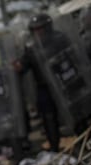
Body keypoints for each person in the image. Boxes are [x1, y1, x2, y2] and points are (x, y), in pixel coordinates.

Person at [13, 13, 66, 152]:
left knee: (73, 112)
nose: (39, 32)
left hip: (64, 82)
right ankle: (54, 147)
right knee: (48, 117)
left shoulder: (60, 39)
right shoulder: (31, 47)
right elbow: (24, 65)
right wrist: (17, 66)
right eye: (35, 29)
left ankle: (84, 137)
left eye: (41, 28)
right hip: (44, 86)